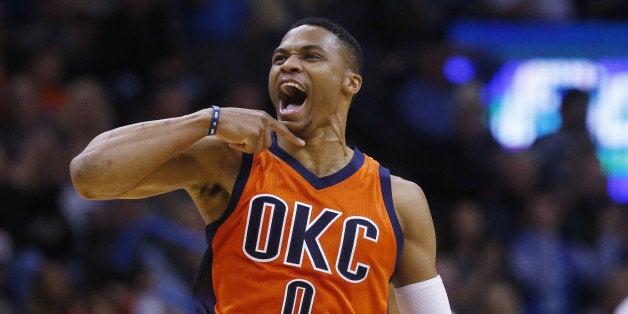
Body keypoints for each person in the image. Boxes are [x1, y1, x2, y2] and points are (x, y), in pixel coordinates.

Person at [70, 17, 452, 313]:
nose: (289, 65)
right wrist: (205, 120)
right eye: (280, 58)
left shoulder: (399, 200)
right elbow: (89, 175)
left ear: (351, 82)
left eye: (311, 56)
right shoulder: (231, 161)